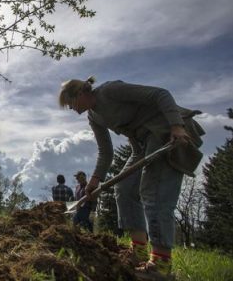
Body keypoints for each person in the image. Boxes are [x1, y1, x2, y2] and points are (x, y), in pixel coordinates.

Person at [59, 76, 204, 281]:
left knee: (153, 192)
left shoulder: (110, 91)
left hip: (165, 131)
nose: (71, 109)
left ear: (80, 93)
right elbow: (105, 152)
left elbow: (160, 94)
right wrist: (94, 181)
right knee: (125, 189)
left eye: (70, 103)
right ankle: (139, 253)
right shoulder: (93, 116)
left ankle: (161, 266)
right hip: (142, 144)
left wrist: (176, 126)